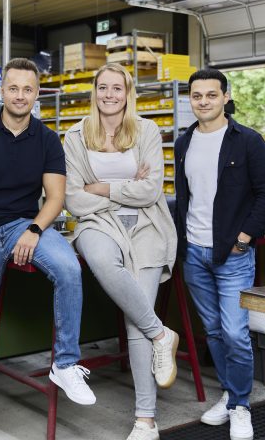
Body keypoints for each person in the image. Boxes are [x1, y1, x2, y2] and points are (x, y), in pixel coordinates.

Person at [0, 57, 96, 440]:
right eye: (13, 88)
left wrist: (34, 229)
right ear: (2, 91)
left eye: (27, 89)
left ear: (36, 95)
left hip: (24, 224)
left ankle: (65, 364)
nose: (20, 95)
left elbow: (56, 197)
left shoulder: (47, 139)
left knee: (69, 268)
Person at [64, 63, 179, 440]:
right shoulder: (75, 135)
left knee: (134, 318)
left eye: (117, 88)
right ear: (94, 91)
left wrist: (101, 188)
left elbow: (151, 191)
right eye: (103, 87)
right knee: (100, 258)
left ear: (128, 93)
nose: (109, 95)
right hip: (97, 224)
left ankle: (146, 420)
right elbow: (73, 199)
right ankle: (161, 335)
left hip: (146, 225)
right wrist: (126, 187)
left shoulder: (147, 130)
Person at [174, 68, 265, 440]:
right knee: (214, 332)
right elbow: (185, 197)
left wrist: (243, 239)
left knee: (234, 333)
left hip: (232, 254)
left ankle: (242, 405)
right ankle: (230, 396)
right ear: (190, 99)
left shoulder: (247, 141)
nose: (203, 102)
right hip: (194, 253)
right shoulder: (183, 143)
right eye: (197, 95)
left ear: (225, 97)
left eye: (211, 95)